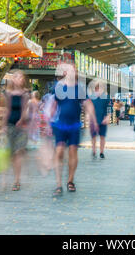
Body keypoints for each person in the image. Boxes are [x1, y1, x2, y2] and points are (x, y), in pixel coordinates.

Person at [50, 63, 98, 196]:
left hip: (75, 126)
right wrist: (48, 120)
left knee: (72, 152)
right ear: (65, 72)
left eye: (75, 70)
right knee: (59, 151)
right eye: (71, 70)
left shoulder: (79, 88)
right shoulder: (58, 87)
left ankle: (70, 181)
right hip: (60, 124)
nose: (73, 72)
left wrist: (93, 119)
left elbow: (88, 104)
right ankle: (58, 184)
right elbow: (53, 104)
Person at [1, 70, 30, 191]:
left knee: (18, 152)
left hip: (21, 127)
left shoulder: (25, 94)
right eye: (16, 76)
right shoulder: (8, 93)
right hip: (10, 126)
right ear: (12, 79)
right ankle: (7, 178)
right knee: (11, 155)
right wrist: (3, 125)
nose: (18, 78)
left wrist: (21, 120)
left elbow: (24, 110)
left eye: (20, 77)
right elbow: (7, 110)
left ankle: (17, 181)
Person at [89, 82, 110, 159]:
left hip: (102, 120)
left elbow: (109, 107)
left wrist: (108, 117)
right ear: (95, 89)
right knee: (93, 137)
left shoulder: (106, 97)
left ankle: (101, 152)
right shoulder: (91, 97)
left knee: (102, 137)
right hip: (93, 120)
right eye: (98, 88)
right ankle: (94, 151)